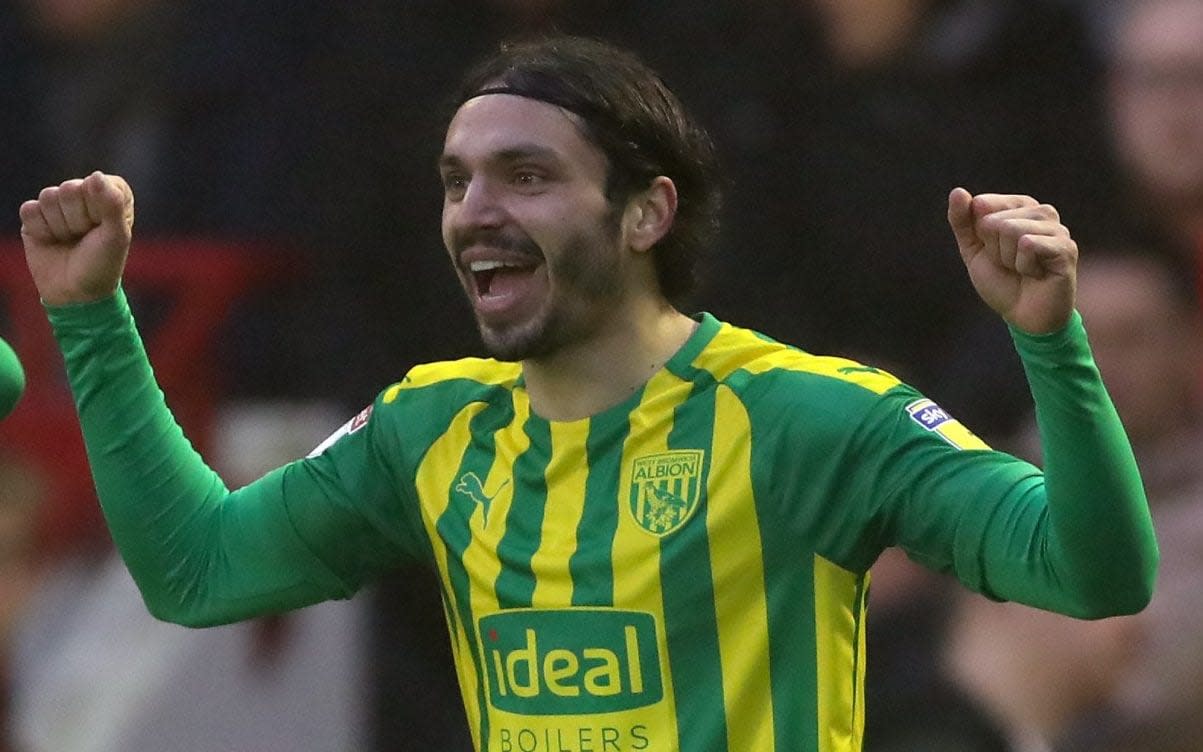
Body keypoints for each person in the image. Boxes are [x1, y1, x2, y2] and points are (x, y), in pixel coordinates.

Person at [16, 35, 1157, 751]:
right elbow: (198, 569)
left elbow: (1094, 570)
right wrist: (94, 318)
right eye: (459, 180)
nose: (476, 211)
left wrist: (1051, 345)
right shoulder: (432, 426)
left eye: (527, 176)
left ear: (647, 212)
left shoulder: (808, 414)